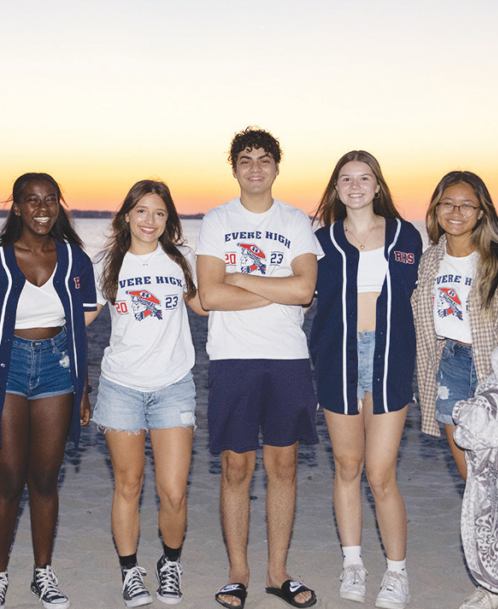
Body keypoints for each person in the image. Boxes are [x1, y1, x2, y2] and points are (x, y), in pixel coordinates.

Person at [411, 170, 498, 609]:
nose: (456, 212)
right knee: (477, 488)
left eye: (466, 205)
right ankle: (493, 584)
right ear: (435, 209)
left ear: (481, 211)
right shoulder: (430, 261)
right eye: (447, 204)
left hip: (495, 377)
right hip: (450, 369)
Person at [196, 127, 319, 609]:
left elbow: (305, 290)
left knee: (283, 465)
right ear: (234, 168)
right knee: (235, 467)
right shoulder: (217, 219)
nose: (254, 168)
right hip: (232, 358)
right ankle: (238, 574)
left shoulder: (294, 221)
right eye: (245, 159)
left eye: (263, 159)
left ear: (276, 167)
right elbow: (210, 295)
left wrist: (240, 276)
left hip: (287, 356)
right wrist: (276, 284)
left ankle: (277, 573)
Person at [0, 172, 95, 609]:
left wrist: (85, 388)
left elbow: (80, 328)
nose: (42, 208)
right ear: (16, 206)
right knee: (9, 479)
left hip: (58, 370)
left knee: (44, 479)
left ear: (59, 204)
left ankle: (43, 573)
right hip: (4, 372)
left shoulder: (75, 258)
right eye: (31, 200)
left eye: (50, 200)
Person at [84, 180, 206, 607]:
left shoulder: (183, 260)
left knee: (173, 490)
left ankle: (170, 563)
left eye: (158, 213)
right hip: (121, 388)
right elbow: (81, 319)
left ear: (168, 219)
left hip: (173, 386)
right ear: (126, 216)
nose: (149, 221)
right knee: (129, 484)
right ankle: (130, 570)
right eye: (141, 211)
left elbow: (207, 305)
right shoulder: (106, 263)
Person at [308, 151, 420, 609]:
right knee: (347, 466)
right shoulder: (321, 242)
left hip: (390, 358)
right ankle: (353, 562)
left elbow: (427, 292)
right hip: (338, 359)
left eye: (364, 178)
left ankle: (397, 572)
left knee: (380, 473)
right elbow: (297, 296)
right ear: (336, 188)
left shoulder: (404, 235)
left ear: (378, 185)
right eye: (346, 179)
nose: (355, 186)